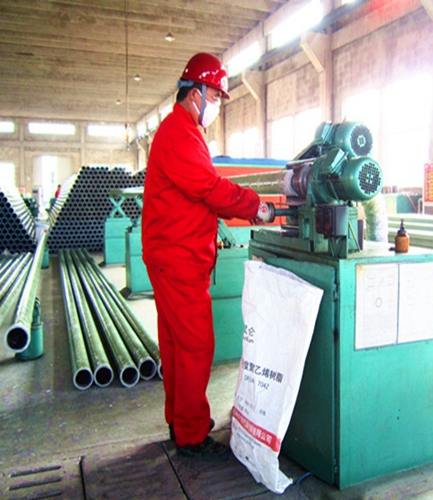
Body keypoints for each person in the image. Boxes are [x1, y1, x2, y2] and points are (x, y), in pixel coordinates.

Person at [141, 53, 274, 461]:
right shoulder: (179, 133)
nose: (216, 104)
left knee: (177, 345)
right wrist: (256, 207)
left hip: (171, 254)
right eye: (214, 96)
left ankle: (179, 422)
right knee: (197, 346)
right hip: (178, 258)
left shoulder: (182, 131)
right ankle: (192, 435)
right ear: (195, 93)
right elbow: (211, 189)